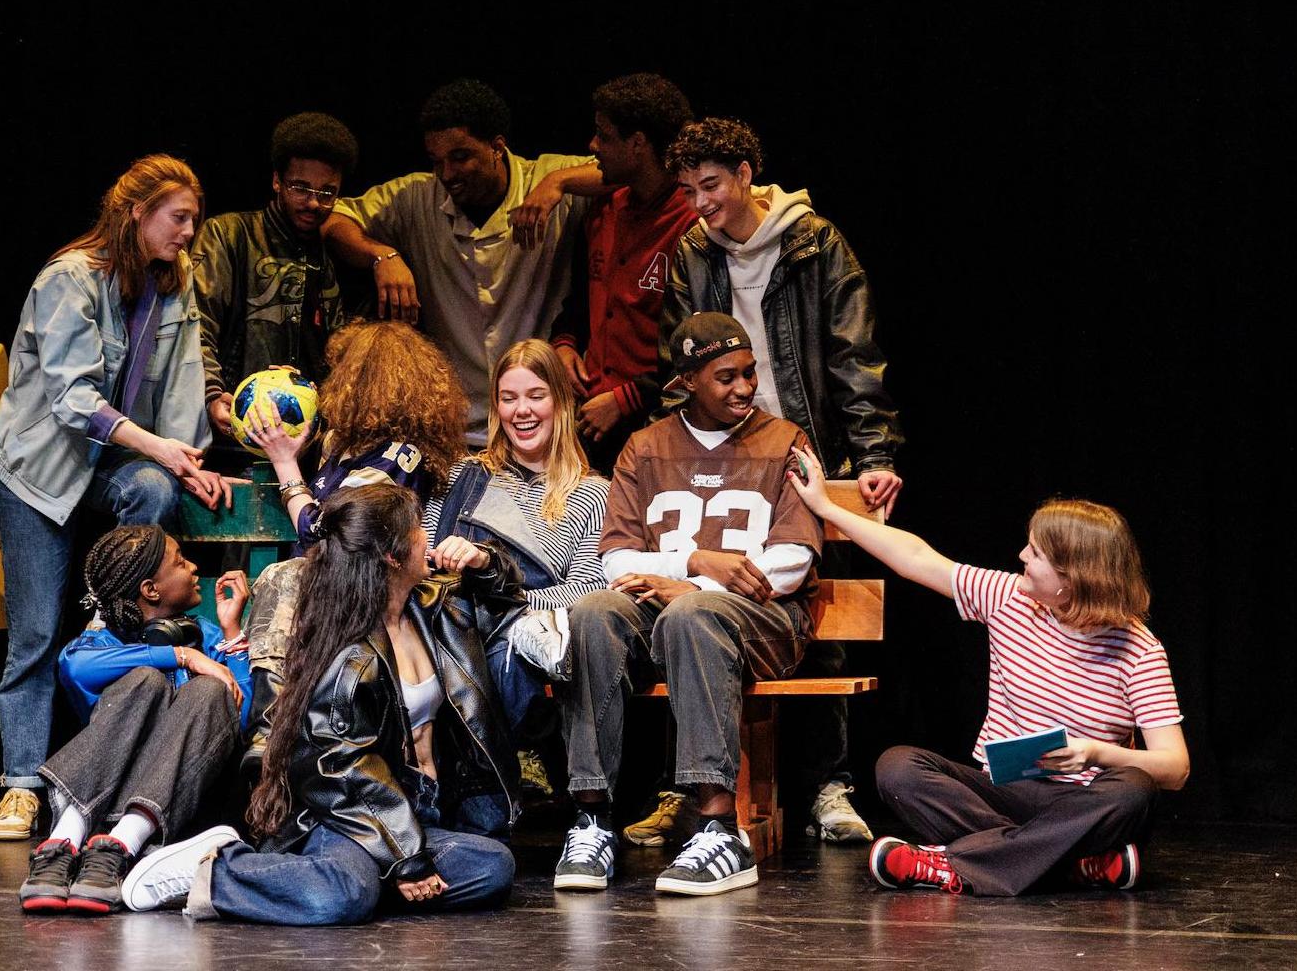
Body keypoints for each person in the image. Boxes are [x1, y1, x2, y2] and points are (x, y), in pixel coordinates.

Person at [114, 484, 522, 924]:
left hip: (416, 808)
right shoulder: (347, 650)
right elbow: (341, 764)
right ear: (392, 556)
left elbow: (508, 600)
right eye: (419, 529)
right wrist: (404, 853)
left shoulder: (438, 608)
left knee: (492, 866)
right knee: (343, 895)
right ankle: (215, 870)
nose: (429, 536)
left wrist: (483, 561)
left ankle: (347, 878)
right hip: (345, 811)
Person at [784, 454, 1188, 897]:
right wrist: (826, 508)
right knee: (898, 767)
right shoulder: (1008, 597)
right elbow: (914, 557)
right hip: (1001, 793)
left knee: (1134, 790)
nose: (1021, 556)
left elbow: (1175, 768)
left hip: (1081, 803)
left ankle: (953, 864)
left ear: (1071, 578)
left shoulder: (1138, 650)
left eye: (1035, 553)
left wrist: (1095, 753)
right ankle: (1069, 863)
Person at [662, 116, 907, 843]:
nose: (701, 203)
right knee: (696, 612)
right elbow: (677, 368)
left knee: (819, 620)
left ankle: (829, 785)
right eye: (690, 190)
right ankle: (693, 788)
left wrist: (874, 456)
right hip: (719, 454)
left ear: (745, 175)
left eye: (711, 185)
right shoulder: (692, 253)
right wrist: (677, 455)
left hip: (804, 453)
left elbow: (854, 355)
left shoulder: (813, 243)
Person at [0, 155, 235, 842]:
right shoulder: (69, 279)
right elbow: (74, 399)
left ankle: (126, 647)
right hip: (39, 471)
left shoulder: (172, 284)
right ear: (136, 212)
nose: (189, 232)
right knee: (36, 632)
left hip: (116, 462)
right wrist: (160, 449)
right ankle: (22, 784)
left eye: (194, 219)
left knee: (153, 488)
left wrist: (186, 463)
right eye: (178, 217)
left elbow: (182, 385)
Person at [552, 313, 820, 897]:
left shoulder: (785, 441)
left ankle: (720, 829)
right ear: (687, 382)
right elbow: (616, 562)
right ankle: (591, 818)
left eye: (749, 373)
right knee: (593, 614)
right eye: (726, 377)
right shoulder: (645, 447)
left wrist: (698, 591)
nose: (744, 388)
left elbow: (794, 560)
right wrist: (694, 564)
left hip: (763, 620)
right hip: (667, 613)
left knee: (691, 615)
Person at [323, 78, 596, 444]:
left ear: (497, 147)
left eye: (460, 157)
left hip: (547, 422)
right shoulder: (418, 197)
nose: (447, 174)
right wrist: (381, 256)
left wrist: (559, 182)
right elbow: (334, 219)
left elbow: (626, 169)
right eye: (437, 161)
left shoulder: (545, 179)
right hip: (460, 428)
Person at [17, 525, 252, 913]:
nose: (194, 567)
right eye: (181, 562)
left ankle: (120, 845)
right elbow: (74, 666)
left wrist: (232, 632)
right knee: (145, 679)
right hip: (102, 802)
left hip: (177, 810)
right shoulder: (103, 644)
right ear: (151, 590)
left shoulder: (206, 635)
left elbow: (240, 719)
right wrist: (179, 656)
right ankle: (62, 843)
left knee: (212, 690)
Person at [423, 340, 611, 792]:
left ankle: (500, 778)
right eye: (508, 398)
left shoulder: (591, 493)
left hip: (526, 639)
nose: (521, 411)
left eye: (536, 396)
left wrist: (504, 595)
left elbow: (589, 588)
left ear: (561, 402)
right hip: (443, 627)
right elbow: (422, 554)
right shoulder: (461, 475)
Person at [550, 73, 697, 474]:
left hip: (659, 422)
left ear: (638, 144)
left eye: (604, 135)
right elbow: (580, 301)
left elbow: (700, 345)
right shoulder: (603, 210)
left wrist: (627, 399)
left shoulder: (693, 223)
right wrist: (564, 344)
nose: (592, 145)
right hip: (590, 420)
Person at [193, 112, 358, 468]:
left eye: (327, 192)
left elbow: (344, 353)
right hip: (232, 439)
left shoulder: (335, 251)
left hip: (309, 448)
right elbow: (197, 326)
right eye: (300, 188)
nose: (313, 202)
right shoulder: (229, 235)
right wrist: (211, 394)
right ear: (276, 181)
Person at [244, 319, 467, 550]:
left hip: (342, 574)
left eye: (340, 373)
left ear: (359, 386)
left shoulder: (394, 459)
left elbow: (323, 536)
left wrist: (285, 464)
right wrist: (297, 398)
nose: (333, 384)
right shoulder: (347, 442)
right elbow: (310, 446)